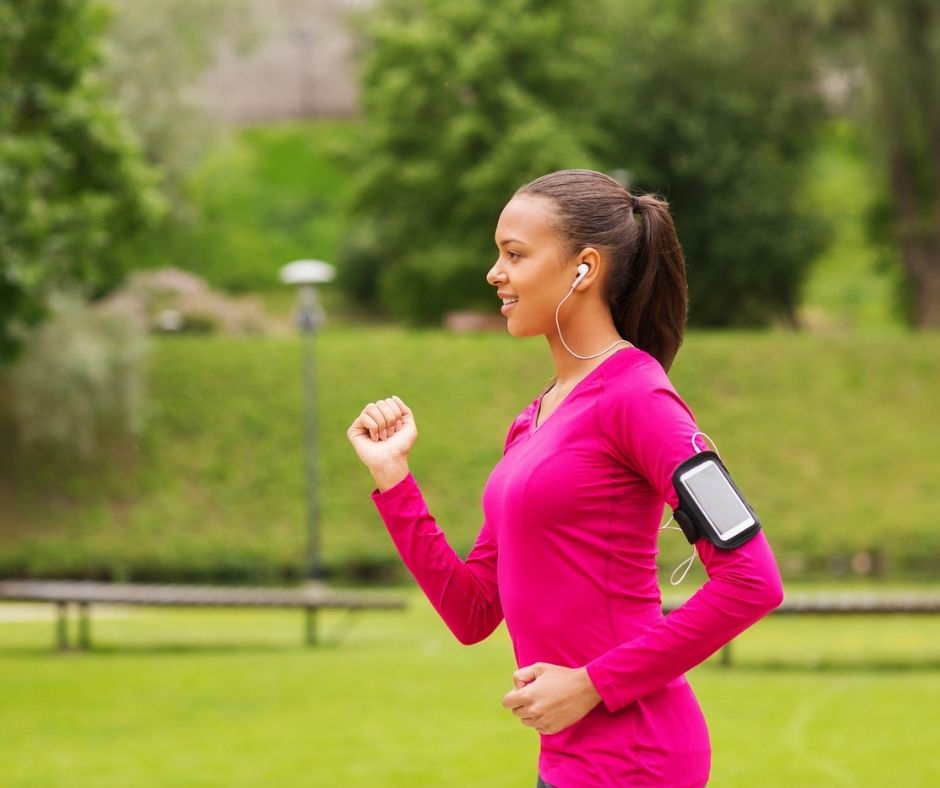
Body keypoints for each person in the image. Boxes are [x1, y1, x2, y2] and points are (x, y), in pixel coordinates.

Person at [346, 169, 784, 787]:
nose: (494, 273)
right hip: (568, 763)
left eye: (514, 254)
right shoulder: (532, 420)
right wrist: (395, 483)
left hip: (638, 759)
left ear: (583, 268)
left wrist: (591, 684)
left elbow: (753, 582)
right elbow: (473, 612)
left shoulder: (641, 398)